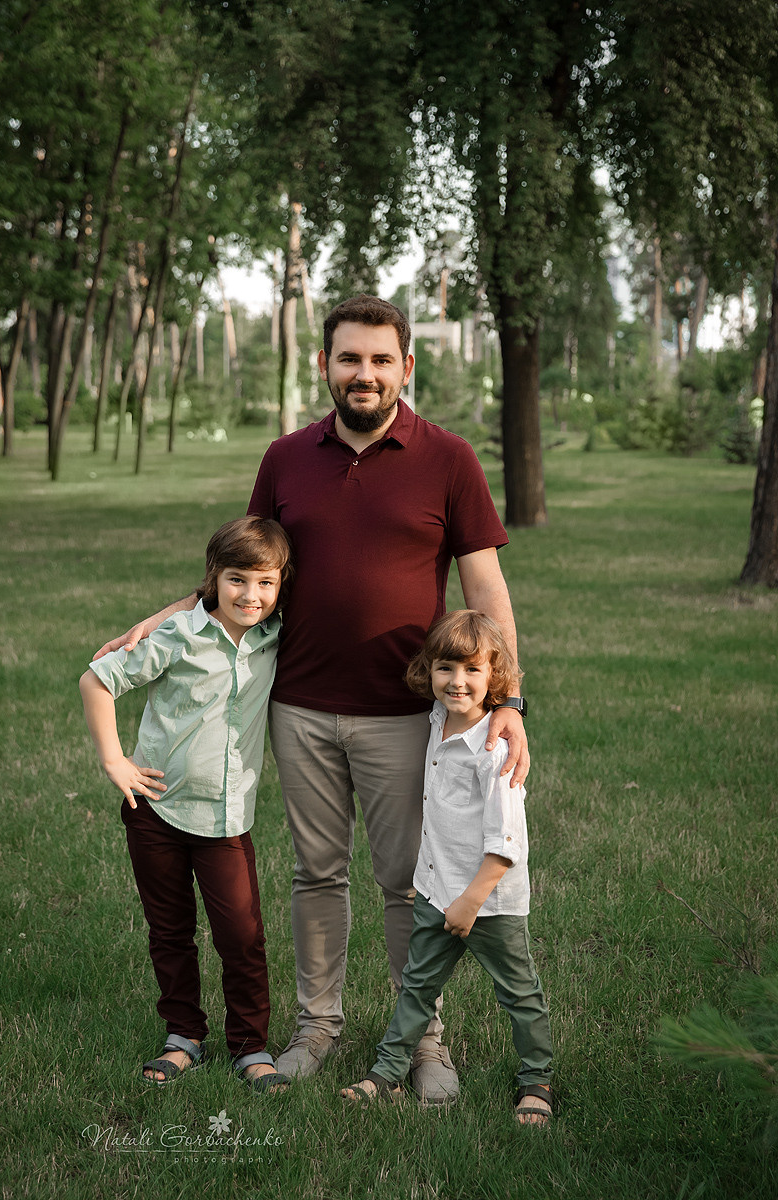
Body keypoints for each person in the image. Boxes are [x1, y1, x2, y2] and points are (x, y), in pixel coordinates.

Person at [93, 295, 530, 1105]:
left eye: (379, 359)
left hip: (407, 713)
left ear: (407, 365)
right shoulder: (286, 456)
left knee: (411, 880)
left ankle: (421, 1041)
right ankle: (317, 1028)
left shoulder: (449, 459)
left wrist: (509, 699)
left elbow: (484, 586)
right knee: (318, 874)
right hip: (298, 707)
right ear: (326, 365)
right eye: (348, 358)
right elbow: (248, 567)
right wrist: (172, 611)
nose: (363, 374)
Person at [80, 516, 293, 1090]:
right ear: (213, 579)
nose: (251, 595)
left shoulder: (279, 635)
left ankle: (250, 1044)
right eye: (237, 580)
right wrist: (113, 760)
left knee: (242, 935)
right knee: (170, 928)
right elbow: (98, 681)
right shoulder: (179, 635)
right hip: (156, 812)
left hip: (226, 818)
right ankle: (184, 1035)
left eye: (266, 583)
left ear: (281, 584)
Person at [341, 610, 553, 1125]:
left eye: (473, 671)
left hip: (488, 902)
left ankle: (537, 1083)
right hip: (436, 893)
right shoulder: (436, 721)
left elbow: (506, 844)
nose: (457, 682)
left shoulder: (494, 751)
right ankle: (386, 1074)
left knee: (519, 993)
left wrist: (470, 902)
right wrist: (443, 895)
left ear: (495, 678)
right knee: (417, 988)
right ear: (429, 671)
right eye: (445, 668)